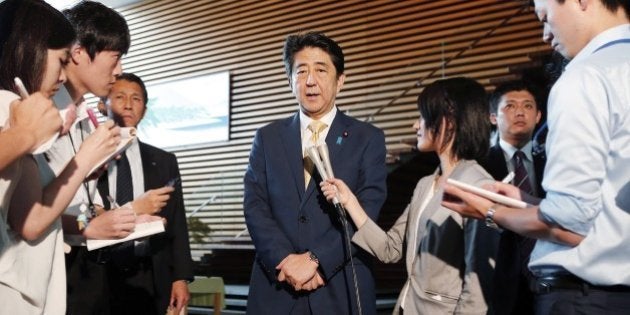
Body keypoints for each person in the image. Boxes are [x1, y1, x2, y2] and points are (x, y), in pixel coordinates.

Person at [442, 1, 630, 314]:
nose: (545, 34)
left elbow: (570, 222)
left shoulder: (585, 77)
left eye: (545, 17)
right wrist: (527, 201)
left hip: (583, 298)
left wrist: (490, 211)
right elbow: (607, 208)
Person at [322, 77, 499, 314]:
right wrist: (350, 201)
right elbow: (390, 248)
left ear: (448, 121)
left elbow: (478, 287)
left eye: (423, 117)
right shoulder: (425, 185)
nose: (416, 125)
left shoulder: (479, 185)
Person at [243, 31, 387, 314]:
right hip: (277, 285)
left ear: (340, 80)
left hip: (339, 283)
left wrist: (316, 260)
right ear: (290, 81)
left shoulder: (368, 138)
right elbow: (254, 206)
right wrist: (285, 259)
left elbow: (368, 209)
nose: (310, 81)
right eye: (301, 71)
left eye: (321, 70)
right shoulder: (267, 137)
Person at [0, 0, 121, 313]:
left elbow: (33, 214)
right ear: (32, 49)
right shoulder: (20, 111)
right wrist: (81, 159)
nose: (63, 76)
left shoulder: (27, 109)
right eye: (61, 60)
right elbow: (31, 221)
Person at [90, 73, 193, 314]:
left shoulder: (164, 160)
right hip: (99, 271)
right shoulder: (90, 154)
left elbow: (177, 222)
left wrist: (180, 278)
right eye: (119, 97)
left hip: (149, 271)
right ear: (103, 105)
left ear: (144, 109)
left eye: (136, 98)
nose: (128, 104)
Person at [482, 81, 545, 315]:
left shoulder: (553, 162)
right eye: (510, 106)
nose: (520, 112)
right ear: (493, 117)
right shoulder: (479, 165)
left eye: (528, 106)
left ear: (538, 116)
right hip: (495, 278)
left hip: (548, 279)